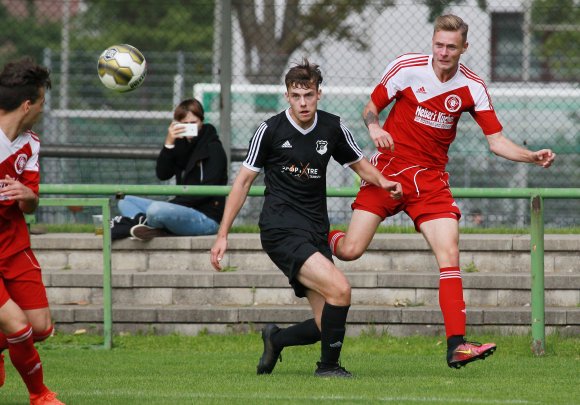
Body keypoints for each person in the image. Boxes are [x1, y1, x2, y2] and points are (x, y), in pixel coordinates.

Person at [328, 14, 556, 369]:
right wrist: (374, 127)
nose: (444, 52)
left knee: (450, 254)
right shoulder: (407, 68)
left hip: (431, 181)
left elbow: (496, 142)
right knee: (350, 250)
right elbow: (371, 107)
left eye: (451, 46)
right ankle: (319, 235)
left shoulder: (473, 87)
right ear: (431, 43)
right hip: (387, 172)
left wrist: (531, 156)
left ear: (465, 48)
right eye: (439, 44)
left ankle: (456, 345)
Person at [210, 58, 402, 378]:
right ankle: (328, 368)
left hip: (315, 230)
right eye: (296, 96)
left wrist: (383, 182)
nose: (303, 103)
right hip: (280, 228)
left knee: (323, 322)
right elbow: (242, 182)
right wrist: (223, 234)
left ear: (318, 94)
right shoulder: (269, 130)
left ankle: (276, 339)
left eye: (308, 95)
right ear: (287, 96)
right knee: (341, 289)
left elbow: (358, 163)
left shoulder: (333, 127)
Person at [0, 58, 65, 404]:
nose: (43, 109)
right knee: (17, 326)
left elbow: (31, 203)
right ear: (28, 104)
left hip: (13, 246)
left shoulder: (30, 144)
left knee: (40, 327)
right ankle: (40, 395)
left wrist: (28, 197)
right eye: (42, 102)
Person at [114, 98, 228, 241]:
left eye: (193, 123)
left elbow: (207, 190)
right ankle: (151, 227)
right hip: (178, 208)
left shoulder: (213, 148)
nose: (189, 127)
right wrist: (168, 143)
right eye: (184, 124)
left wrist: (171, 204)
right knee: (123, 199)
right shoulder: (180, 144)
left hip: (206, 218)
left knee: (156, 210)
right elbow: (162, 174)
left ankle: (145, 223)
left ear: (202, 122)